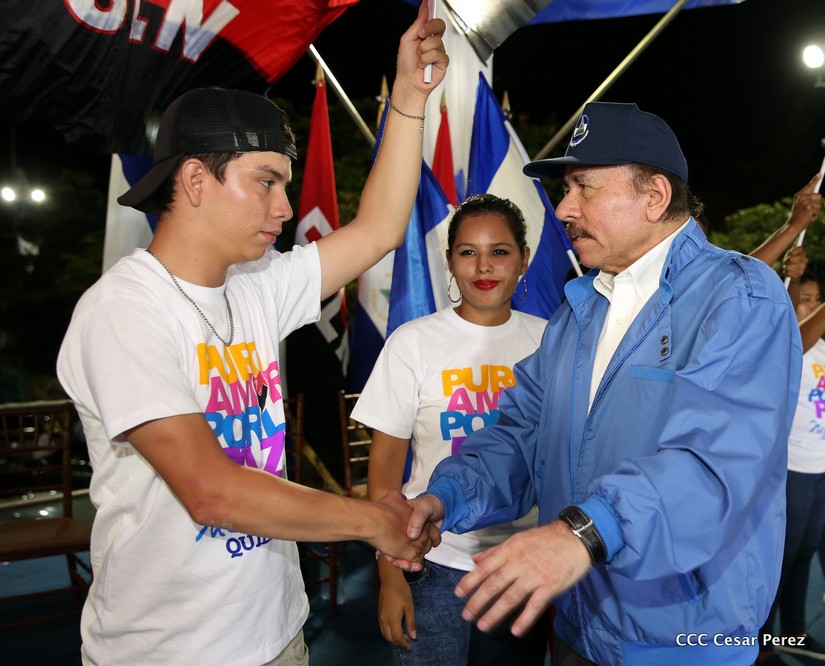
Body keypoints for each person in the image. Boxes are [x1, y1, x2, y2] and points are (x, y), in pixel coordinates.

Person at [55, 5, 448, 665]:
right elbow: (211, 491)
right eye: (265, 182)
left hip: (277, 634)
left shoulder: (256, 284)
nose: (285, 208)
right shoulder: (123, 310)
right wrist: (373, 521)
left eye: (285, 185)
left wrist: (409, 96)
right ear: (194, 179)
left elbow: (379, 230)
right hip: (167, 653)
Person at [400, 101, 803, 665]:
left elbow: (713, 462)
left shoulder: (740, 296)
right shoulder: (580, 309)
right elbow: (522, 434)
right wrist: (448, 497)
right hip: (576, 622)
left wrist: (586, 532)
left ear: (655, 196)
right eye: (566, 189)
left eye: (583, 187)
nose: (564, 208)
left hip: (680, 639)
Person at [353, 194, 549, 665]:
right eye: (468, 252)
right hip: (433, 562)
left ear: (524, 259)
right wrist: (390, 575)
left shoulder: (551, 340)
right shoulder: (412, 343)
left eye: (499, 251)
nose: (484, 266)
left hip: (523, 564)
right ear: (449, 261)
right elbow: (385, 465)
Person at [757, 267, 825, 665]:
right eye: (805, 299)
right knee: (781, 558)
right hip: (793, 467)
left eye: (817, 300)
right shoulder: (785, 343)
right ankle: (761, 643)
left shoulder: (822, 349)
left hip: (819, 467)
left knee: (806, 552)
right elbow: (800, 338)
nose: (811, 306)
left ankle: (795, 632)